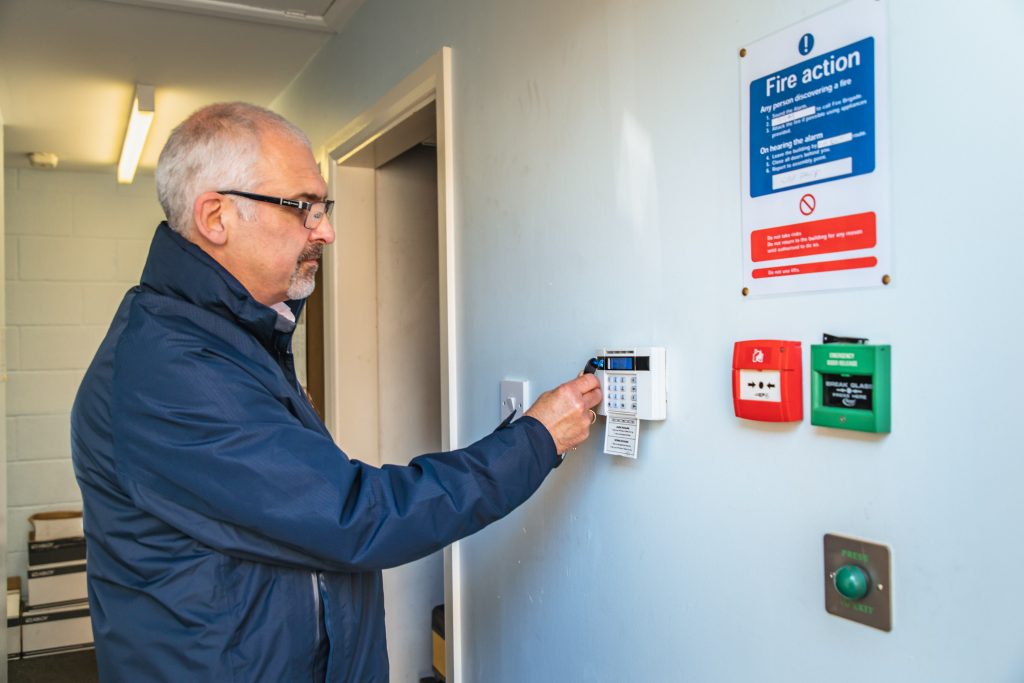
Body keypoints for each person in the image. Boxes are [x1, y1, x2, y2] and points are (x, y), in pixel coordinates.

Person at [70, 102, 601, 682]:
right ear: (216, 216)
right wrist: (536, 439)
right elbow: (355, 518)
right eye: (303, 207)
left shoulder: (231, 335)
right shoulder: (170, 371)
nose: (326, 229)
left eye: (324, 207)